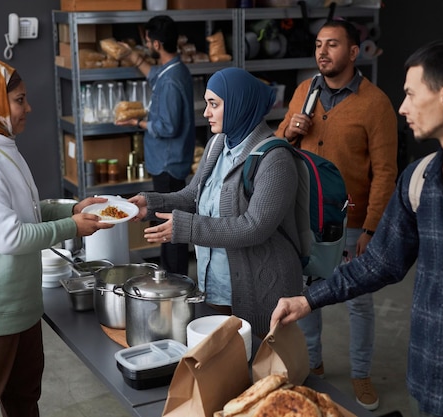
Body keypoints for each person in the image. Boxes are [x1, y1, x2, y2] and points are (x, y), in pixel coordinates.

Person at [271, 39, 443, 417]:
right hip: (429, 387)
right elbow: (379, 263)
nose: (402, 107)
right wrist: (308, 299)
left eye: (411, 94)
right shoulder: (419, 180)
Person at [0, 57, 113, 417]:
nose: (28, 107)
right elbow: (10, 236)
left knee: (23, 400)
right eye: (19, 100)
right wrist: (72, 228)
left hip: (17, 308)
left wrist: (73, 209)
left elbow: (24, 211)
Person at [275, 19, 398, 409]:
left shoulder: (375, 103)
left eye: (332, 44)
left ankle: (361, 374)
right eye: (318, 45)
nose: (322, 52)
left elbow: (385, 172)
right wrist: (289, 132)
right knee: (306, 295)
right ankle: (314, 366)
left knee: (358, 300)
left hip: (351, 221)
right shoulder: (303, 92)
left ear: (352, 52)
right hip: (305, 217)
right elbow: (279, 147)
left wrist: (373, 228)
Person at [128, 67, 303, 336]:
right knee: (225, 367)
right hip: (216, 285)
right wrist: (151, 204)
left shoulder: (275, 160)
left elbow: (254, 227)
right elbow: (192, 196)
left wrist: (187, 228)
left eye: (214, 104)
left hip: (260, 290)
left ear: (238, 104)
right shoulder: (218, 144)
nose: (206, 112)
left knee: (260, 368)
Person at [117, 15, 195, 276]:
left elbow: (168, 127)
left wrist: (138, 122)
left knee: (169, 226)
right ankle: (169, 277)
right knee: (165, 221)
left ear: (157, 44)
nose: (146, 44)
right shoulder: (173, 69)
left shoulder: (172, 79)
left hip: (168, 164)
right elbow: (154, 75)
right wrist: (132, 56)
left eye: (148, 40)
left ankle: (175, 282)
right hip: (167, 161)